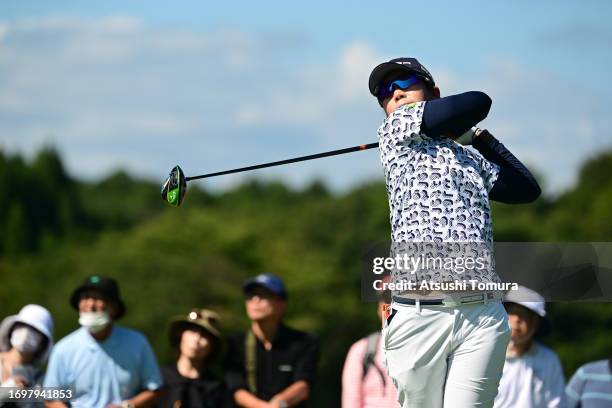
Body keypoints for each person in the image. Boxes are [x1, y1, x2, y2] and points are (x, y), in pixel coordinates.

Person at [368, 57, 541, 408]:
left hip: (481, 314)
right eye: (386, 92)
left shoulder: (469, 158)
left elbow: (525, 189)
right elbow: (477, 102)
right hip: (420, 314)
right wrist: (458, 122)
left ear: (434, 93)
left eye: (406, 83)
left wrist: (479, 139)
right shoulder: (395, 132)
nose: (396, 93)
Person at [43, 275, 163, 408]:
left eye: (98, 298)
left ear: (114, 307)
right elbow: (51, 398)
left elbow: (155, 389)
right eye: (85, 298)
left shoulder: (137, 343)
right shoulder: (63, 349)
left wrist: (127, 406)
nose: (90, 304)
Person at [225, 273, 319, 408]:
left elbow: (303, 385)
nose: (255, 301)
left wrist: (279, 404)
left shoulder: (304, 342)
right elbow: (235, 388)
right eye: (251, 296)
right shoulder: (234, 343)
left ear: (282, 304)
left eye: (263, 295)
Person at [494, 286, 567, 408]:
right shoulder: (487, 353)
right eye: (513, 312)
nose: (517, 320)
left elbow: (557, 403)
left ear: (536, 324)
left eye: (524, 315)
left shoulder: (549, 359)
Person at [155, 308, 226, 408]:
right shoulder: (158, 378)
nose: (196, 340)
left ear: (212, 347)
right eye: (192, 332)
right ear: (180, 336)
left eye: (204, 336)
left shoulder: (216, 387)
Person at [341, 290, 398, 408]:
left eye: (398, 302)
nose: (391, 307)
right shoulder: (361, 349)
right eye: (387, 302)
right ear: (379, 309)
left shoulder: (426, 345)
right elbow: (351, 400)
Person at [0, 304, 54, 407]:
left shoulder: (40, 382)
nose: (26, 332)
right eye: (22, 325)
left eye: (34, 330)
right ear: (12, 329)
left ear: (43, 343)